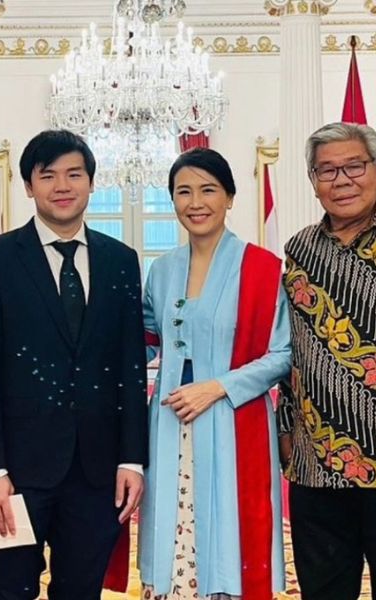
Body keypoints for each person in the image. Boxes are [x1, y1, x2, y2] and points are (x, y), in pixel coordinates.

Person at [0, 129, 148, 600]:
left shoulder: (120, 260)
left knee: (81, 589)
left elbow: (131, 366)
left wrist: (132, 458)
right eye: (48, 176)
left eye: (73, 174)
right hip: (14, 474)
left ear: (90, 182)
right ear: (28, 186)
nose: (62, 185)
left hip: (97, 470)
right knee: (8, 588)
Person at [137, 148, 290, 600]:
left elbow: (283, 354)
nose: (195, 201)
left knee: (229, 534)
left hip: (232, 419)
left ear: (230, 197)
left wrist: (218, 387)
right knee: (172, 531)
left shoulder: (263, 269)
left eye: (208, 189)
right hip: (169, 423)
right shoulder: (161, 272)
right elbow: (142, 337)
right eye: (183, 191)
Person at [278, 122, 376, 599]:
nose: (341, 180)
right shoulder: (299, 250)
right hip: (316, 465)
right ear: (313, 180)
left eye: (353, 166)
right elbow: (287, 348)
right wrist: (286, 431)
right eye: (327, 170)